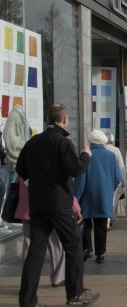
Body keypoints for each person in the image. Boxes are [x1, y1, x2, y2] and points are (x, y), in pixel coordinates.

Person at [16, 103, 100, 306]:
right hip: (59, 203)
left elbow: (21, 169)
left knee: (36, 252)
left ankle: (27, 300)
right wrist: (86, 156)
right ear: (63, 120)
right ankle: (75, 294)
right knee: (73, 245)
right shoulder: (63, 142)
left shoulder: (33, 142)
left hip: (37, 205)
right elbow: (75, 169)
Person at [15, 176, 82, 287]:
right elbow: (62, 186)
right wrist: (76, 208)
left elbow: (18, 181)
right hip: (51, 208)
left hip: (27, 209)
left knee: (29, 247)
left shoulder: (26, 164)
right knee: (56, 244)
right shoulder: (48, 162)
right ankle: (58, 277)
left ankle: (27, 281)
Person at [74, 130, 121, 264]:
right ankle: (100, 253)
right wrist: (109, 189)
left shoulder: (86, 155)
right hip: (104, 194)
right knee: (101, 224)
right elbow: (117, 177)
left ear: (91, 142)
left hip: (87, 194)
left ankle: (87, 249)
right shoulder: (111, 156)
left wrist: (76, 195)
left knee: (86, 222)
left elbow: (80, 178)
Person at [4, 104, 29, 194]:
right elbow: (8, 138)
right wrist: (25, 144)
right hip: (16, 164)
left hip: (23, 164)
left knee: (20, 195)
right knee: (12, 195)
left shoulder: (23, 115)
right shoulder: (14, 115)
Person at [104, 132, 126, 228]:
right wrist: (124, 182)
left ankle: (105, 219)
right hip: (112, 179)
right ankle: (108, 220)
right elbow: (121, 167)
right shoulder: (115, 150)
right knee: (111, 200)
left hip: (102, 179)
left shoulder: (100, 149)